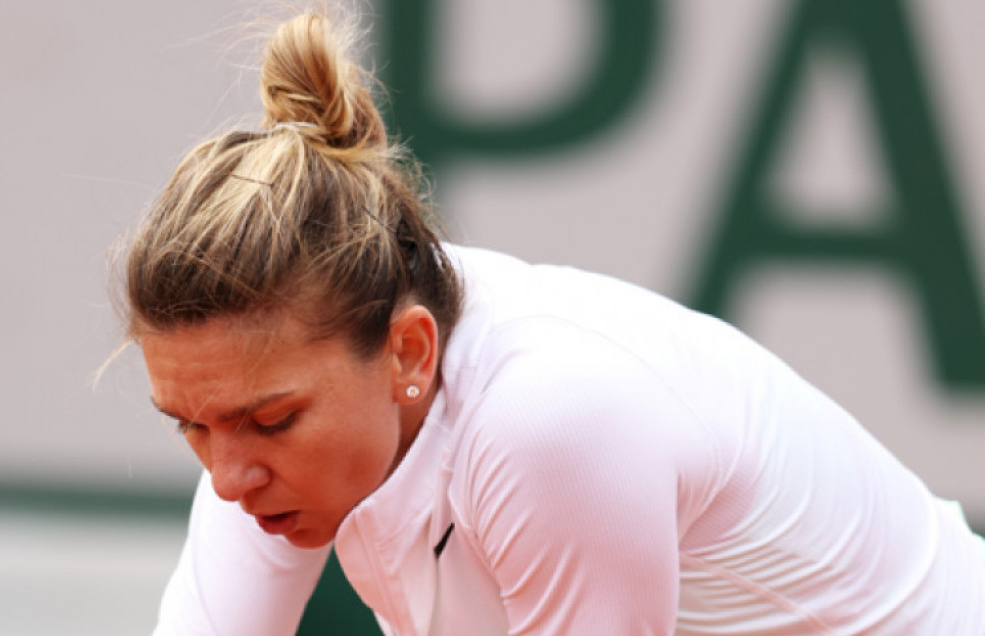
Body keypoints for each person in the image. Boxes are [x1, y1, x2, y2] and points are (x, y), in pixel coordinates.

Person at [118, 11, 985, 635]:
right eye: (191, 427)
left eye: (268, 421)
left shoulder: (550, 421)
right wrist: (252, 425)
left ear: (408, 353)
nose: (228, 477)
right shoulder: (268, 421)